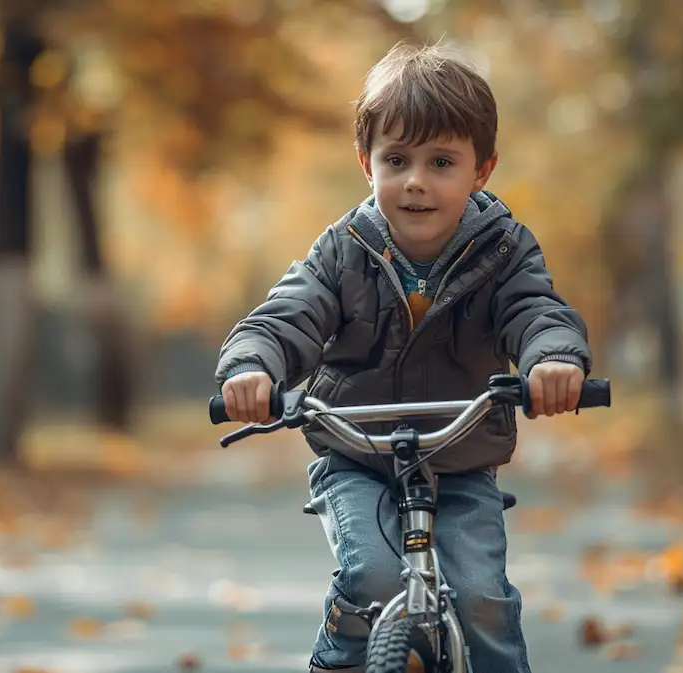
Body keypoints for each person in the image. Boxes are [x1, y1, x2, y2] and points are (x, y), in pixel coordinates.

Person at [213, 40, 591, 673]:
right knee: (374, 576)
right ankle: (339, 658)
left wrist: (552, 361)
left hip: (461, 459)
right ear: (367, 163)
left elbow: (537, 311)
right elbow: (286, 316)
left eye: (442, 161)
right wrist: (252, 367)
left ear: (482, 171)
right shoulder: (343, 250)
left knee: (482, 598)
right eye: (397, 159)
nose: (416, 181)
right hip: (356, 454)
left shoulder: (504, 251)